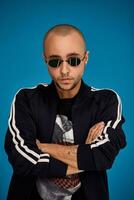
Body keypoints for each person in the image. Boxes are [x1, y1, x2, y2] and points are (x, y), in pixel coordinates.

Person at [5, 24, 126, 200]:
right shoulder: (27, 99)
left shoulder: (105, 101)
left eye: (74, 60)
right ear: (45, 59)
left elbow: (103, 156)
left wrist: (42, 147)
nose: (64, 70)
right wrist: (85, 155)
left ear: (86, 58)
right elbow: (20, 159)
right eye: (55, 61)